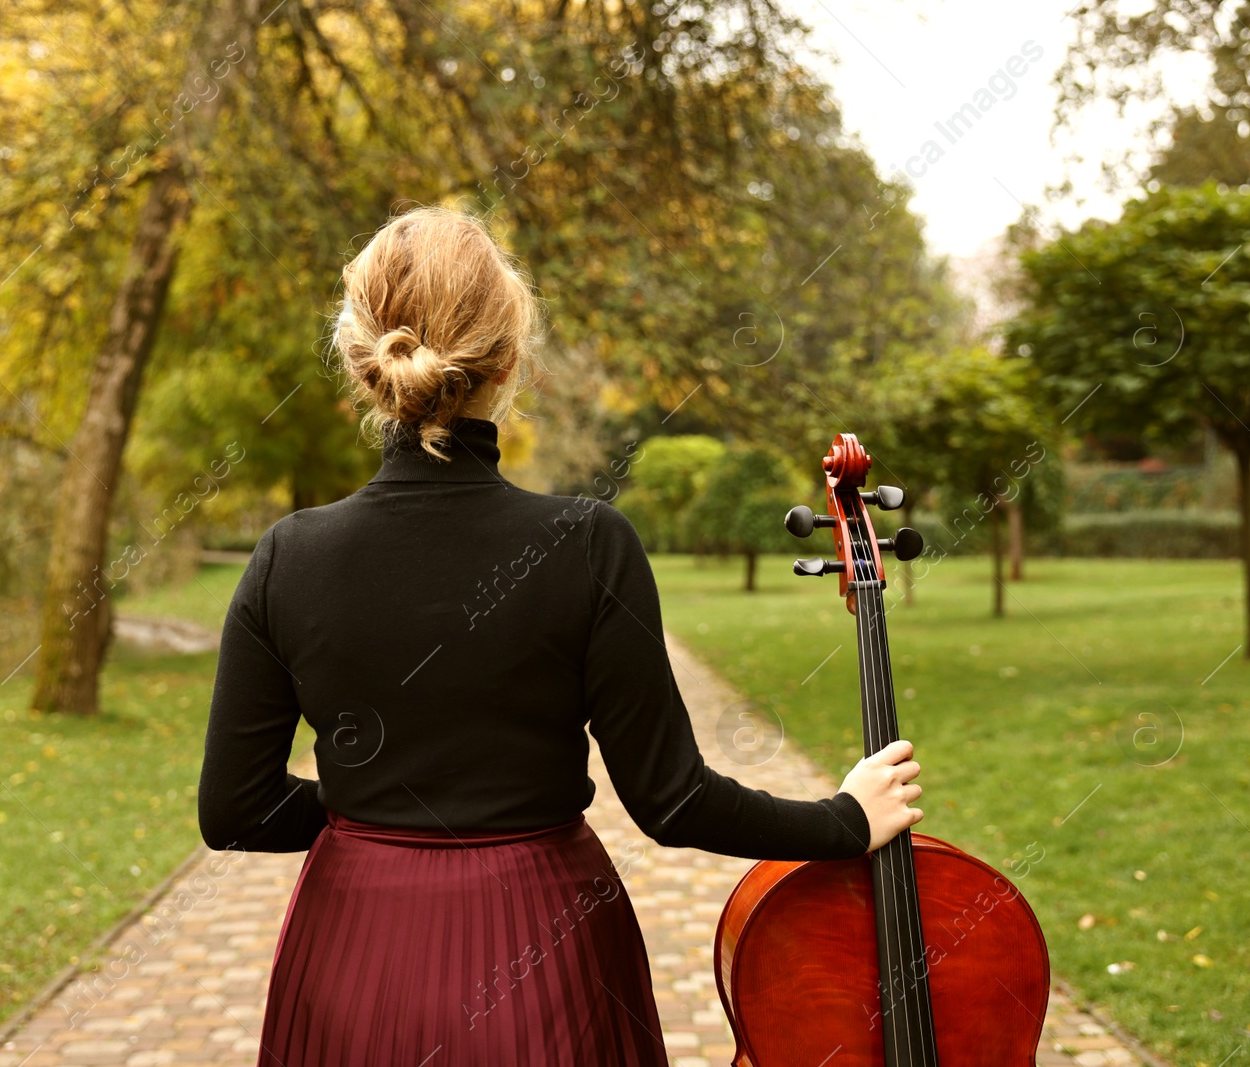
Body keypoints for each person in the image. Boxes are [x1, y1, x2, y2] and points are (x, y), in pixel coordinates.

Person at [197, 206, 924, 1067]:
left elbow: (234, 810)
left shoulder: (288, 555)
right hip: (545, 944)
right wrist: (842, 819)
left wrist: (368, 809)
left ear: (363, 362)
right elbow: (672, 799)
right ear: (508, 360)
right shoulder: (585, 542)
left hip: (351, 949)